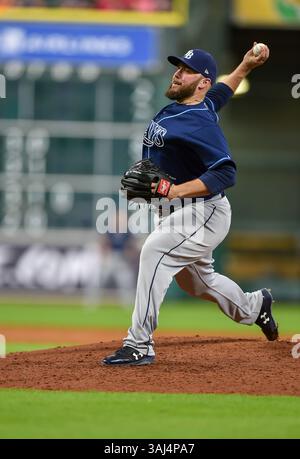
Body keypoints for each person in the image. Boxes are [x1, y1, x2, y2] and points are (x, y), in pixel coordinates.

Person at [102, 43, 279, 366]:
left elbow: (226, 171)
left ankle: (139, 343)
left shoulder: (201, 123)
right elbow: (221, 94)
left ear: (201, 82)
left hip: (202, 212)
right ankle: (255, 306)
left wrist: (175, 191)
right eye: (178, 66)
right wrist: (245, 66)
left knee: (154, 251)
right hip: (179, 212)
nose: (177, 73)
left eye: (186, 70)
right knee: (199, 283)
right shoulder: (194, 106)